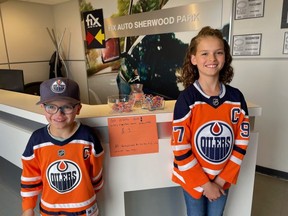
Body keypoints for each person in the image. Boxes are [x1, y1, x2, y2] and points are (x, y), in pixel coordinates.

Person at [171, 26, 250, 216]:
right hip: (193, 179)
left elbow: (241, 143)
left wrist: (221, 181)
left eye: (218, 53)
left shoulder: (236, 98)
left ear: (225, 57)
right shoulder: (187, 99)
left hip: (223, 178)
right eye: (204, 53)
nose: (212, 59)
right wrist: (206, 185)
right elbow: (181, 149)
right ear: (194, 58)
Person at [20, 78, 104, 216]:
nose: (59, 114)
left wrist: (86, 192)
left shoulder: (88, 137)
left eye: (67, 107)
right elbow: (30, 177)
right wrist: (28, 208)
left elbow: (96, 175)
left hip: (85, 209)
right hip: (49, 210)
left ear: (78, 108)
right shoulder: (36, 140)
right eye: (51, 107)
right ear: (43, 108)